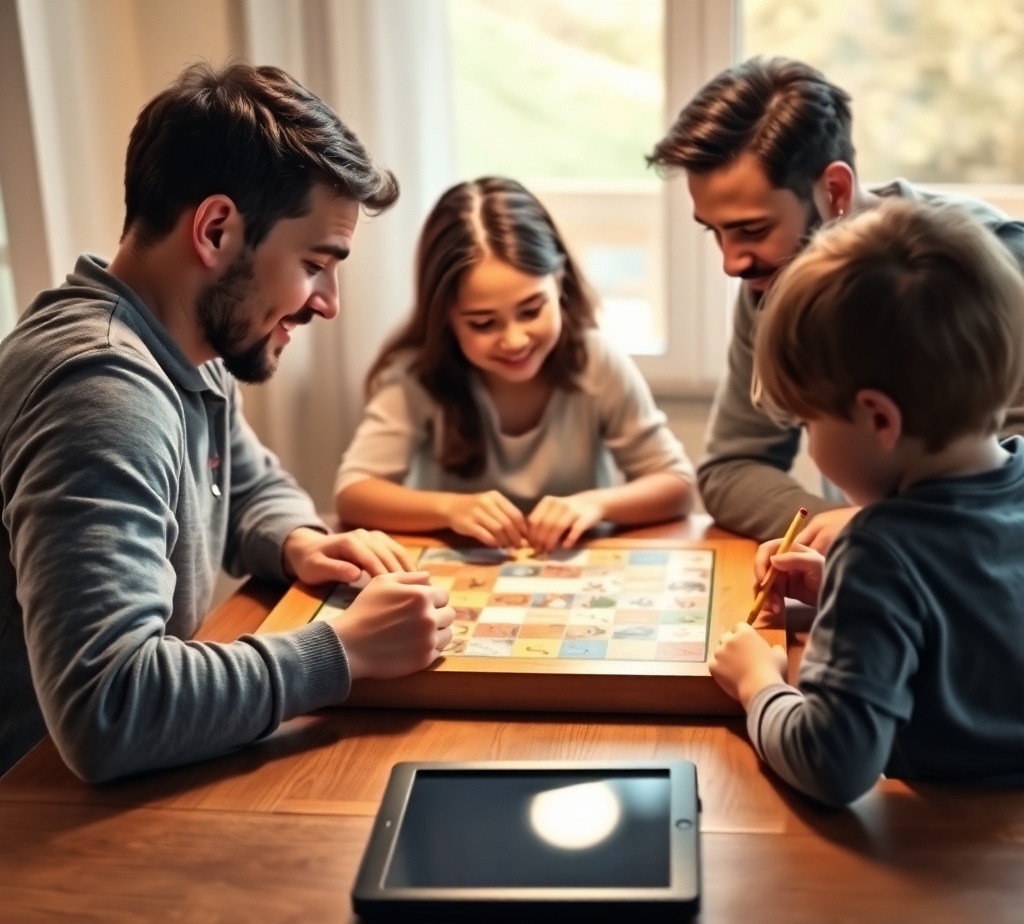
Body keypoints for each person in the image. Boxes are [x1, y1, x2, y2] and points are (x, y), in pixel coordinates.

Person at [0, 62, 455, 782]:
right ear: (216, 230)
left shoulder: (186, 347)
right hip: (33, 807)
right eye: (316, 263)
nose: (328, 302)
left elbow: (244, 484)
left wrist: (301, 541)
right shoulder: (102, 391)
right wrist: (345, 650)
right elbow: (107, 707)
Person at [708, 200, 1024, 807]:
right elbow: (971, 618)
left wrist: (758, 685)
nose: (810, 441)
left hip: (944, 837)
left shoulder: (877, 551)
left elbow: (832, 763)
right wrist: (837, 594)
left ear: (878, 418)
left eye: (808, 422)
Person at [647, 56, 1024, 549]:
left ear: (835, 190)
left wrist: (880, 532)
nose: (732, 263)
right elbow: (731, 469)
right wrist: (842, 531)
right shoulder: (772, 278)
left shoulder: (989, 267)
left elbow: (1005, 484)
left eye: (752, 229)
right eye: (714, 232)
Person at [335, 177, 694, 554]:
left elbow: (677, 483)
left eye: (531, 310)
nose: (515, 340)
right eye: (483, 323)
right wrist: (450, 509)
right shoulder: (416, 375)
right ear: (446, 319)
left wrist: (596, 504)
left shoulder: (596, 361)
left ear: (559, 282)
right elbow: (354, 493)